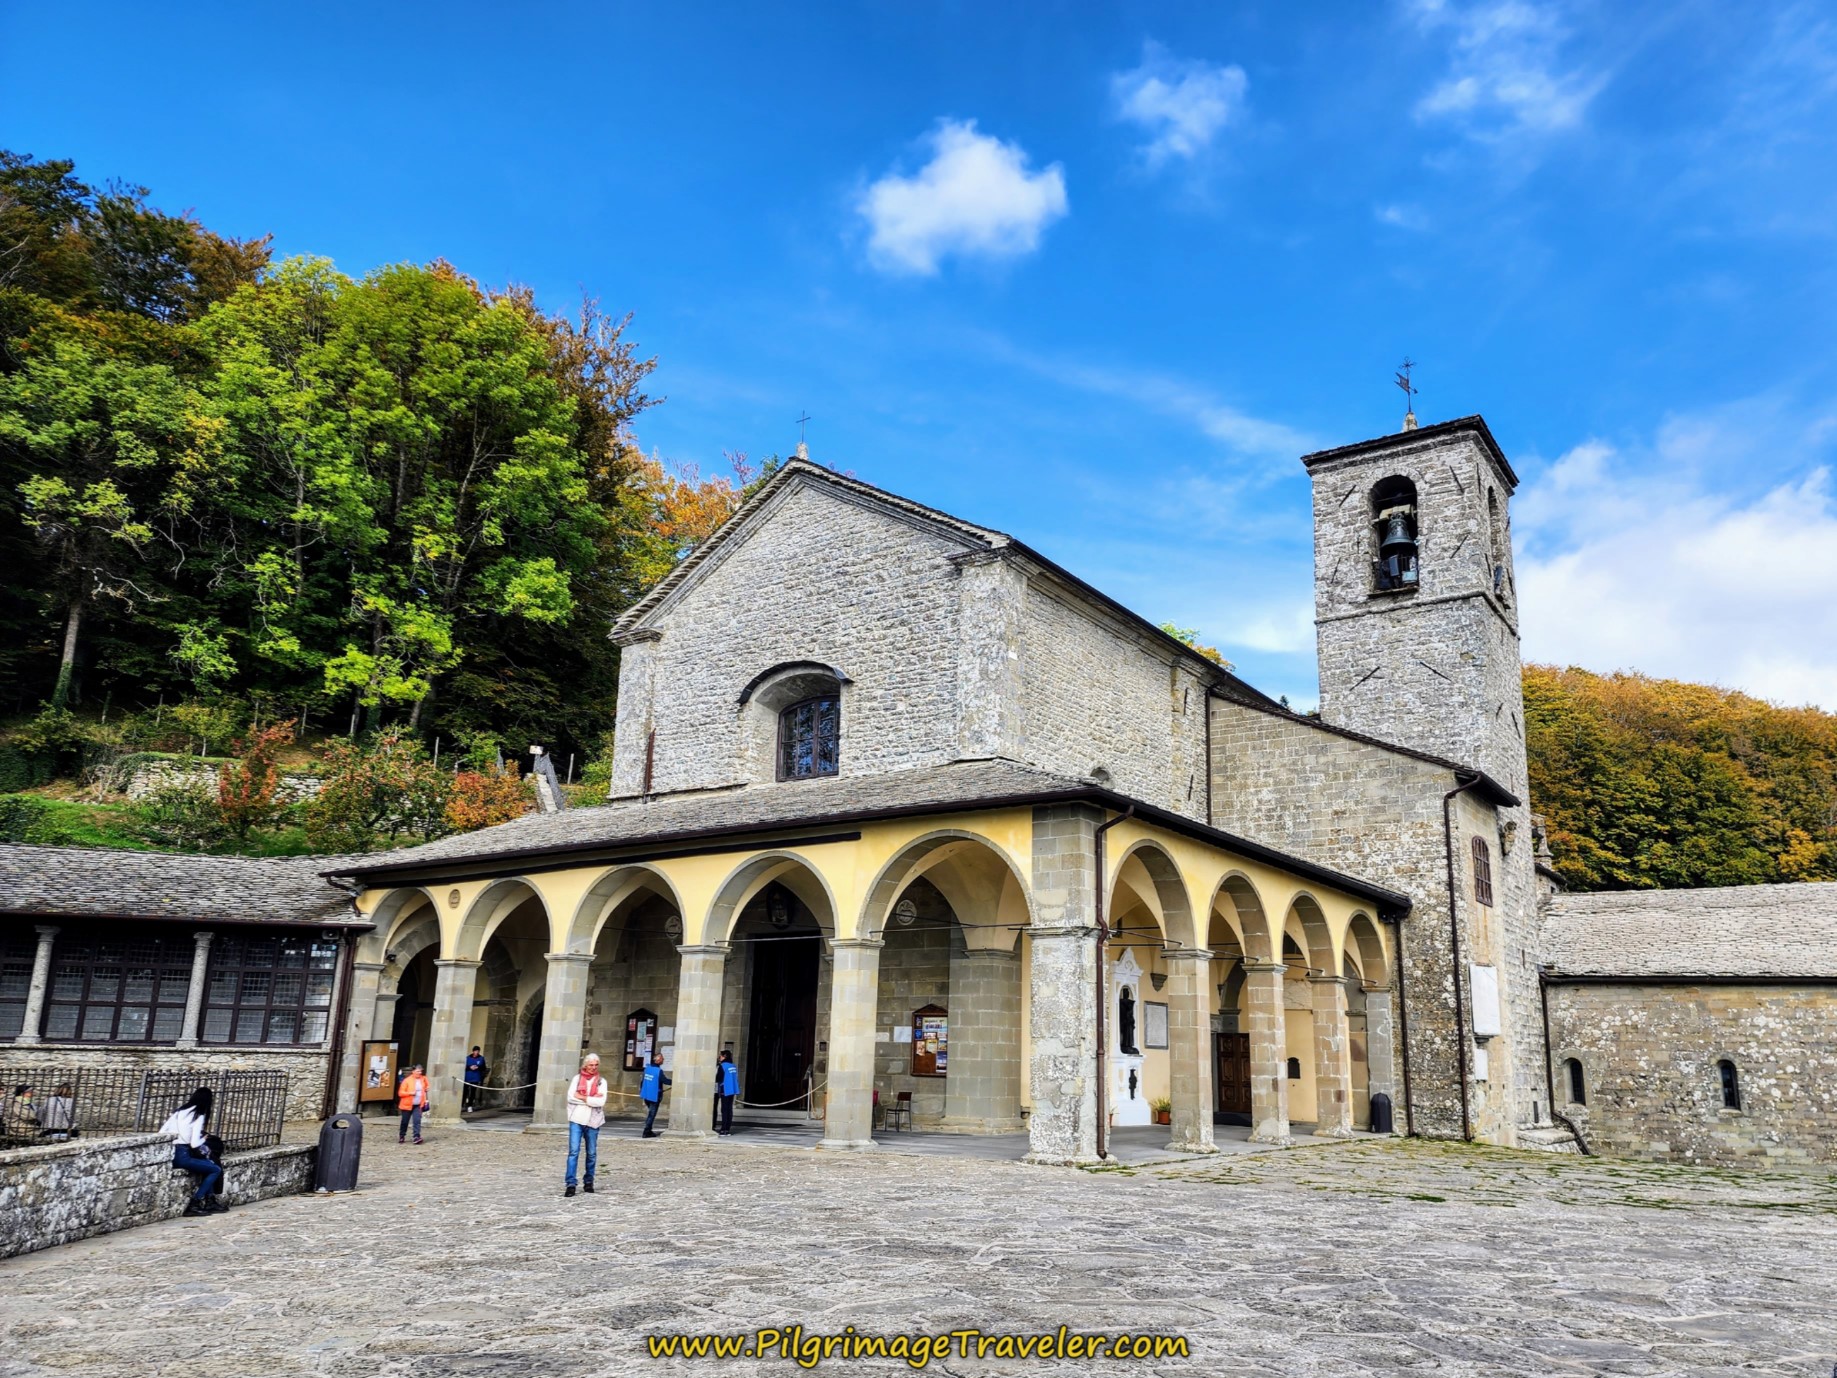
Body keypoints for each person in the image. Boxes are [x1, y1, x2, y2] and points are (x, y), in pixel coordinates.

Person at [160, 1087, 225, 1217]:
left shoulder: (179, 1112)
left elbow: (161, 1132)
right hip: (183, 1155)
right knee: (215, 1169)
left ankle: (210, 1200)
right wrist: (204, 1139)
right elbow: (194, 1143)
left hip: (172, 1153)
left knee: (206, 1166)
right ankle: (195, 1202)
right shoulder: (198, 1116)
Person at [564, 1054, 607, 1197]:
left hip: (593, 1120)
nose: (593, 1067)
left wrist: (582, 1097)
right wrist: (591, 1099)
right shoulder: (577, 1079)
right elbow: (570, 1097)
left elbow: (600, 1102)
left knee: (591, 1153)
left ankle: (589, 1181)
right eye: (591, 1065)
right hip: (577, 1118)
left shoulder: (601, 1082)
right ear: (585, 1065)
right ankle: (570, 1183)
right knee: (573, 1151)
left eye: (596, 1065)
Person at [639, 1051, 671, 1138]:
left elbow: (642, 1082)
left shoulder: (647, 1069)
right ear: (658, 1060)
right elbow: (665, 1081)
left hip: (646, 1095)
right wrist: (675, 1082)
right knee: (651, 1114)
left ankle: (648, 1129)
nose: (663, 1060)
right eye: (662, 1058)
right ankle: (646, 1131)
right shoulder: (658, 1071)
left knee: (650, 1113)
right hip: (654, 1095)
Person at [396, 1064, 431, 1144]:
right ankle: (402, 1135)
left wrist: (427, 1088)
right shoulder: (407, 1080)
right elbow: (400, 1093)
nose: (419, 1073)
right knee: (405, 1121)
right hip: (407, 1105)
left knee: (417, 1121)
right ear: (413, 1071)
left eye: (420, 1071)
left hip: (418, 1104)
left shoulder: (423, 1078)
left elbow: (427, 1086)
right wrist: (410, 1093)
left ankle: (416, 1136)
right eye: (418, 1071)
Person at [713, 1051, 739, 1136]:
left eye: (720, 1056)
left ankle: (723, 1129)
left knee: (724, 1110)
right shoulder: (733, 1066)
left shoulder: (723, 1066)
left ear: (724, 1056)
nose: (719, 1057)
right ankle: (727, 1129)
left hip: (725, 1089)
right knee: (729, 1109)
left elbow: (718, 1078)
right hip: (732, 1089)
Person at [463, 1046, 487, 1114]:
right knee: (465, 1091)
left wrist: (478, 1067)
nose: (477, 1052)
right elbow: (464, 1066)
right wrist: (470, 1067)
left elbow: (484, 1068)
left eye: (478, 1051)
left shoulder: (481, 1058)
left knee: (473, 1092)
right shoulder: (468, 1058)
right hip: (467, 1077)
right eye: (475, 1051)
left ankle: (470, 1105)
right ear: (473, 1051)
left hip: (475, 1077)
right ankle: (462, 1104)